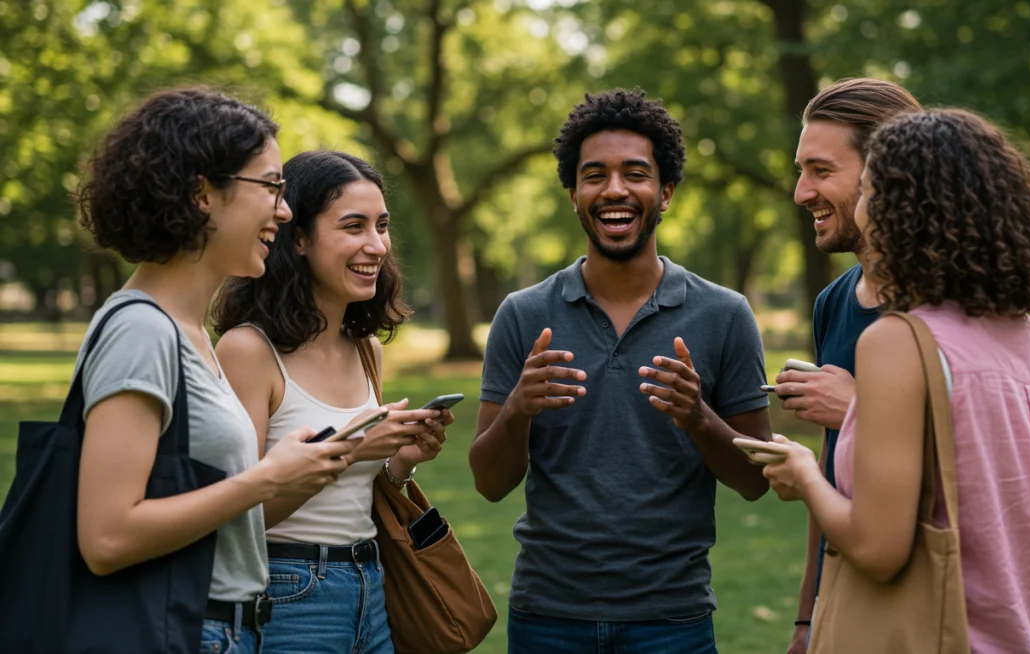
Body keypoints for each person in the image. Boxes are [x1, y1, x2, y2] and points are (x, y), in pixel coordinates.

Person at [763, 108, 1030, 652]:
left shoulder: (898, 343)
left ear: (907, 210)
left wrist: (803, 475)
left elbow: (877, 546)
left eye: (868, 191)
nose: (863, 210)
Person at [469, 89, 773, 653]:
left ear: (667, 193)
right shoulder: (524, 314)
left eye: (636, 173)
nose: (614, 190)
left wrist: (698, 417)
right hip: (546, 616)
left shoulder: (724, 315)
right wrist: (519, 408)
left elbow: (756, 480)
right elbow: (488, 484)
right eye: (594, 175)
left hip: (673, 619)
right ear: (573, 195)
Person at [72, 88, 356, 653]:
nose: (286, 208)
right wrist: (266, 479)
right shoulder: (143, 331)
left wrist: (281, 471)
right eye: (271, 186)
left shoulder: (193, 333)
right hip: (183, 630)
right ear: (203, 193)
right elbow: (105, 536)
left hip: (223, 629)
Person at [213, 150, 452, 653]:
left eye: (382, 225)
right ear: (297, 238)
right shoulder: (248, 351)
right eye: (353, 226)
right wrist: (353, 449)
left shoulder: (364, 349)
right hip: (289, 593)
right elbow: (236, 520)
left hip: (371, 584)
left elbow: (350, 498)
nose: (377, 245)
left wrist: (399, 463)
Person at [773, 77, 920, 651]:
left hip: (929, 593)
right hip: (846, 592)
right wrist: (808, 618)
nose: (801, 192)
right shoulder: (833, 304)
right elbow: (836, 468)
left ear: (885, 174)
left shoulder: (948, 302)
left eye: (820, 171)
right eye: (800, 170)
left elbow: (983, 459)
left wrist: (860, 407)